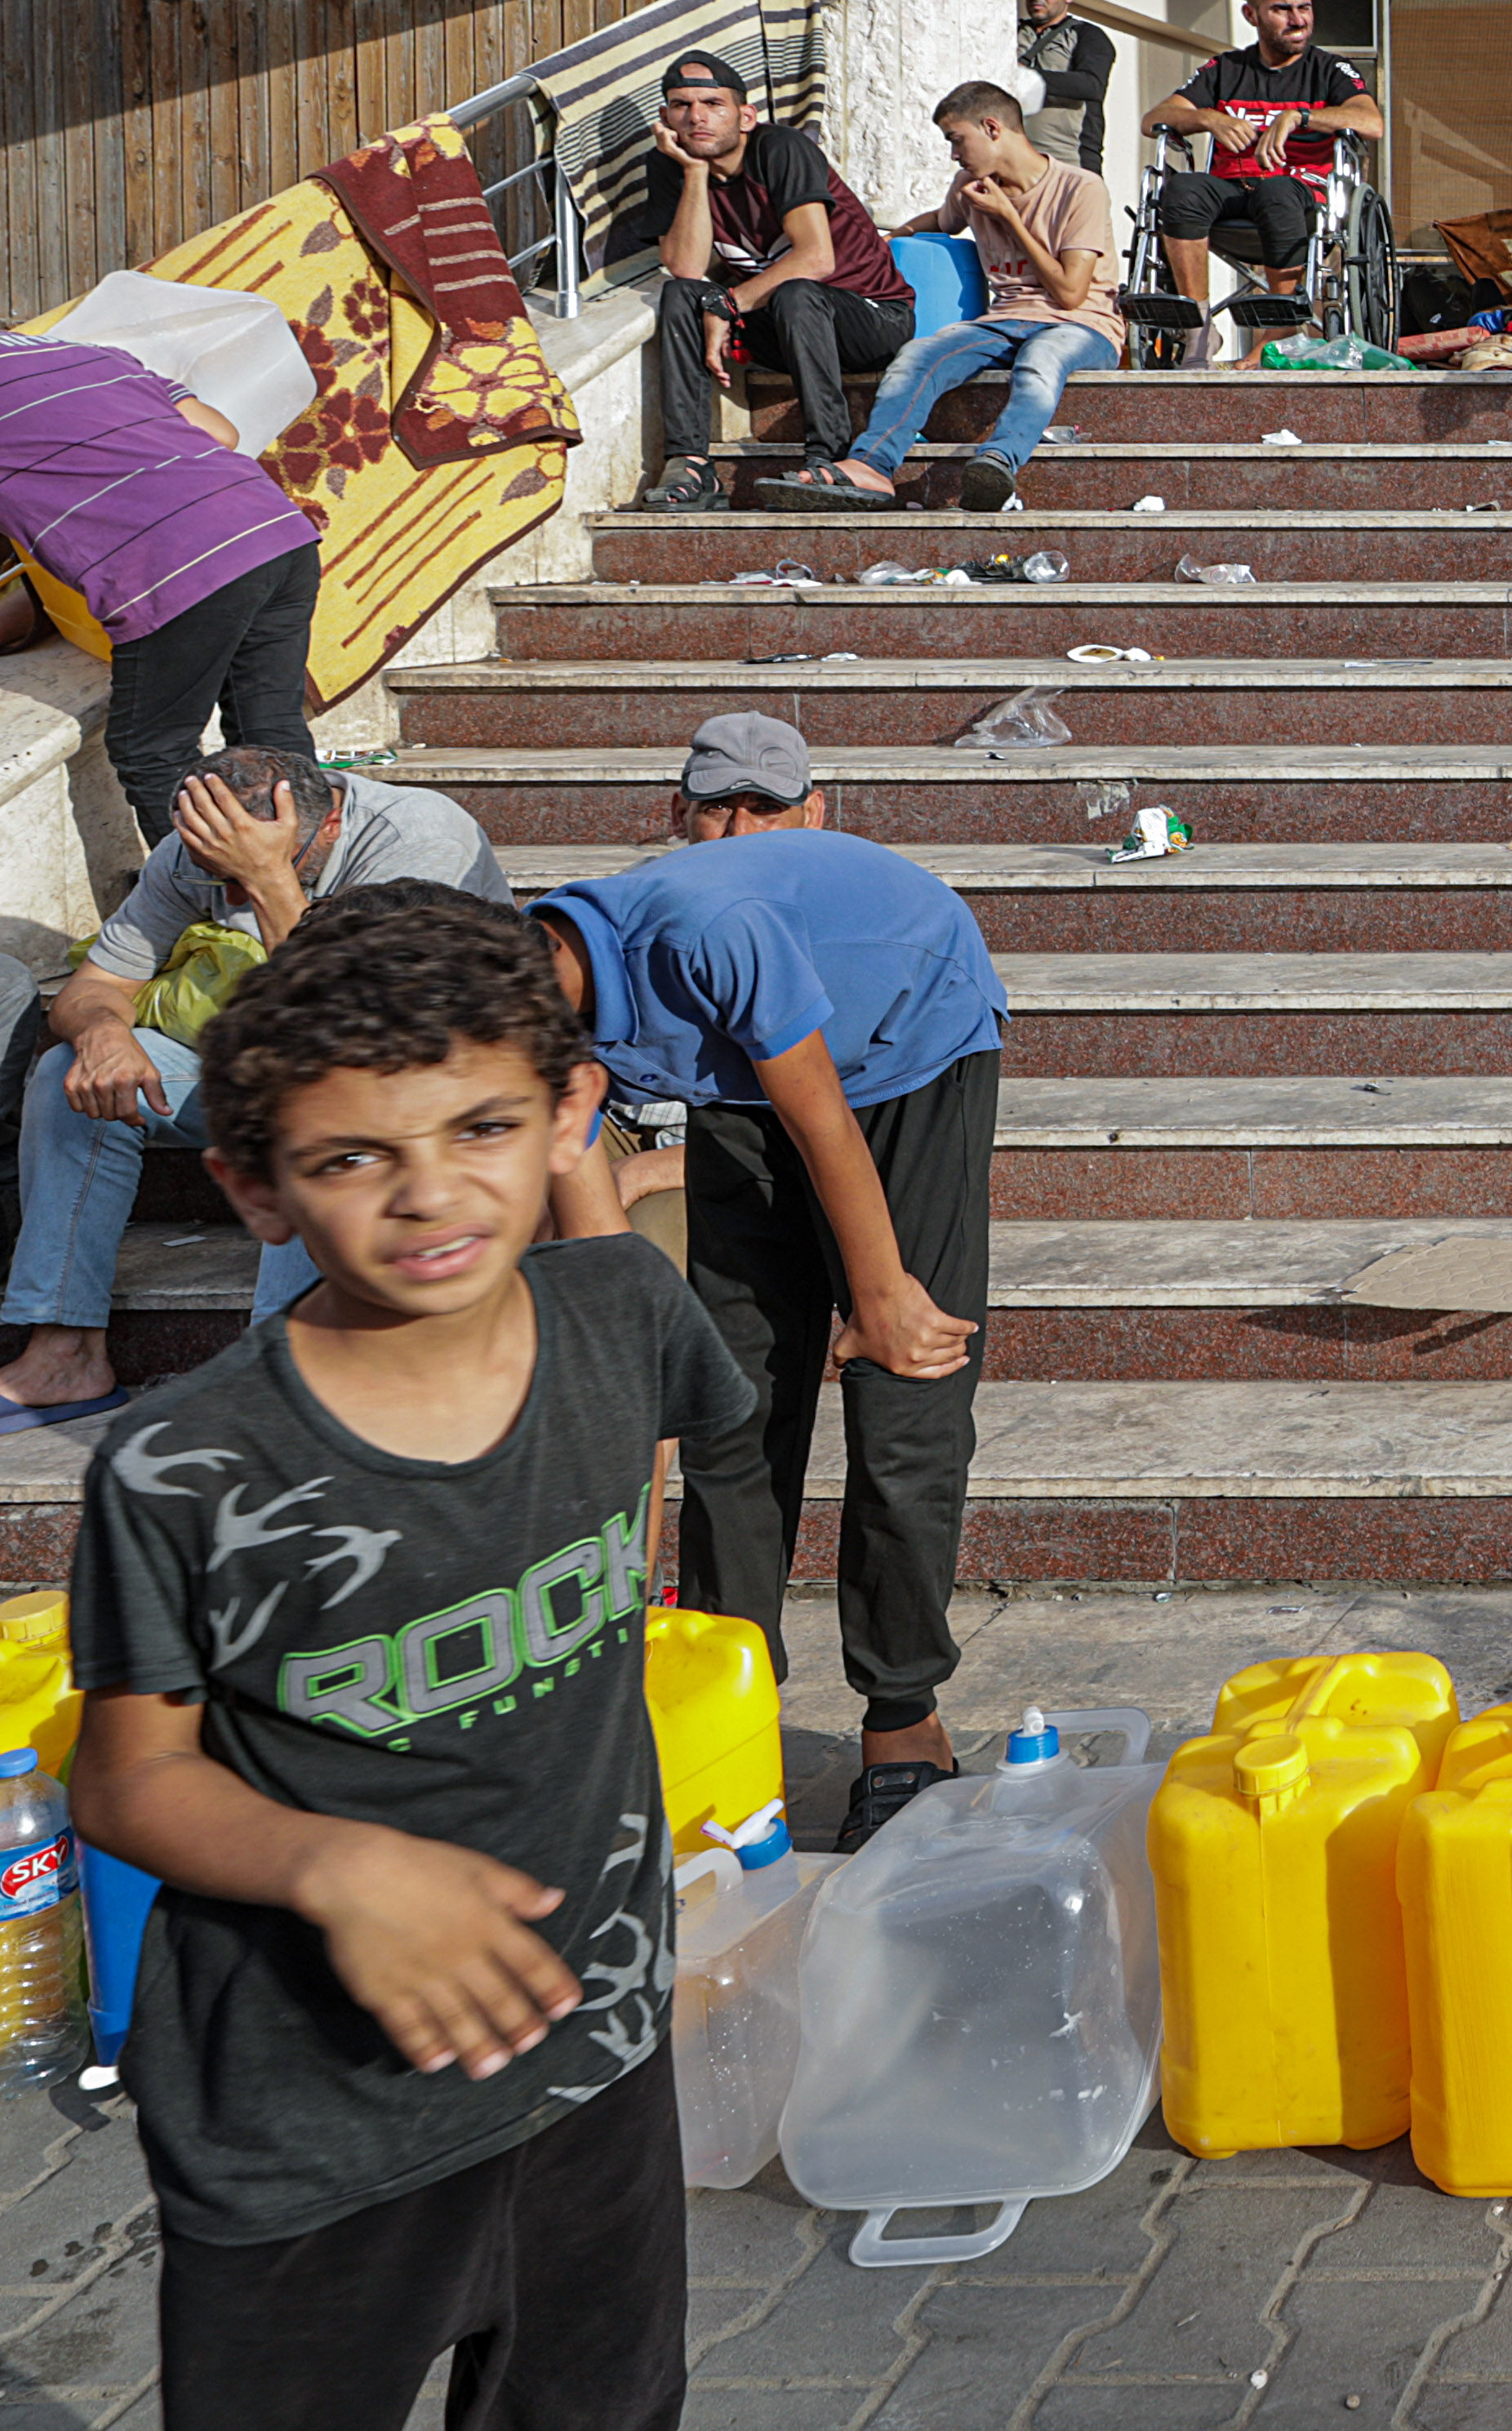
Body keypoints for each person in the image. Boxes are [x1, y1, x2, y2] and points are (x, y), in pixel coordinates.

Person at [67, 885, 747, 2431]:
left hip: (594, 2055)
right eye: (354, 1156)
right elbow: (125, 1778)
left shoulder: (626, 1310)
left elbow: (623, 1533)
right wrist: (336, 1866)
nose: (432, 1194)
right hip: (311, 2127)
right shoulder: (185, 1462)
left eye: (483, 1127)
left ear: (573, 1110)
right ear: (253, 1187)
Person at [532, 714, 1010, 1850]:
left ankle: (905, 1722)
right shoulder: (528, 994)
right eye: (712, 802)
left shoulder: (709, 923)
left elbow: (823, 1118)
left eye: (758, 802)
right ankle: (726, 1695)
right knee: (731, 1396)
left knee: (906, 1385)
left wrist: (879, 1290)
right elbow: (591, 1230)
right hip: (753, 1084)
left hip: (908, 1045)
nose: (730, 824)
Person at [0, 746, 510, 1428]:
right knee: (70, 1073)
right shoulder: (198, 845)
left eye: (243, 877)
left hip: (416, 1094)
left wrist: (269, 878)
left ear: (326, 826)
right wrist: (100, 1033)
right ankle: (65, 1349)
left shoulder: (418, 835)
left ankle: (282, 1363)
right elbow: (94, 988)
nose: (228, 897)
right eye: (219, 878)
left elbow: (362, 1026)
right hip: (267, 1062)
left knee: (317, 1100)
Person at [0, 328, 321, 848]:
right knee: (271, 726)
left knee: (152, 748)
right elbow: (221, 434)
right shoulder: (92, 351)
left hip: (174, 561)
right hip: (273, 528)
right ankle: (316, 888)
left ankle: (217, 902)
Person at [769, 85, 1126, 515]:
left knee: (1041, 361)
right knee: (918, 355)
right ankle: (871, 466)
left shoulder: (1080, 188)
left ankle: (996, 463)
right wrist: (886, 242)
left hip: (1083, 325)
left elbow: (1071, 294)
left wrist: (1008, 217)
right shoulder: (971, 186)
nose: (954, 155)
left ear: (992, 128)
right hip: (1005, 321)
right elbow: (940, 221)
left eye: (956, 140)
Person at [623, 49, 911, 512]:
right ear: (665, 116)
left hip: (871, 317)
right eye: (681, 106)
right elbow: (686, 267)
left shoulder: (780, 148)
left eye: (713, 104)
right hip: (780, 324)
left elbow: (816, 257)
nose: (696, 117)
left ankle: (829, 457)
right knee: (679, 295)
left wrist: (727, 305)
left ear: (746, 116)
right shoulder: (671, 163)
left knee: (797, 292)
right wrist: (694, 172)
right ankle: (691, 463)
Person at [1141, 0, 1381, 368]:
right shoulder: (1225, 69)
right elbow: (1154, 120)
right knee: (1181, 188)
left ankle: (1279, 333)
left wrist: (1299, 117)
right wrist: (1207, 118)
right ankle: (1199, 333)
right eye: (1282, 9)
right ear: (1251, 14)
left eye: (1304, 7)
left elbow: (1371, 123)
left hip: (1301, 194)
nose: (1298, 19)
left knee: (1277, 191)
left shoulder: (1329, 69)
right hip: (1232, 191)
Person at [1012, 0, 1117, 171]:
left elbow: (1092, 86)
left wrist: (1025, 76)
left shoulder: (1088, 35)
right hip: (1012, 162)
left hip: (1068, 163)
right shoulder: (1011, 31)